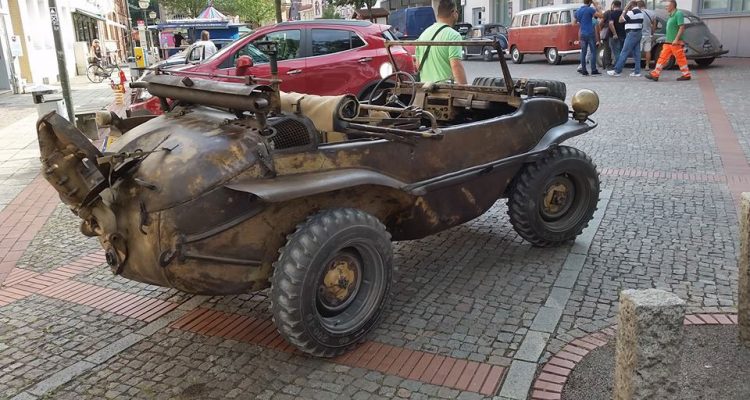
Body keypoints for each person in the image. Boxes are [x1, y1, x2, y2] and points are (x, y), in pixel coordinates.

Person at [415, 0, 467, 84]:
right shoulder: (454, 36)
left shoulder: (423, 35)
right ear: (453, 12)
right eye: (457, 11)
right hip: (445, 89)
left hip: (425, 88)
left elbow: (418, 65)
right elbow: (456, 66)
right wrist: (465, 88)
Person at [646, 0, 690, 81]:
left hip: (675, 42)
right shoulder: (671, 15)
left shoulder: (678, 14)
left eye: (667, 6)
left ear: (672, 6)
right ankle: (655, 74)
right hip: (668, 42)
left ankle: (686, 75)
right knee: (662, 57)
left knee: (680, 58)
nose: (665, 8)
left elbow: (681, 28)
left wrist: (676, 39)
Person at [608, 0, 643, 77]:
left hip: (631, 33)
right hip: (638, 33)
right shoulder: (640, 12)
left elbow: (620, 20)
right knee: (637, 53)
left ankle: (617, 71)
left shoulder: (631, 13)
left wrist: (625, 9)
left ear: (631, 5)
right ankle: (637, 71)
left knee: (624, 52)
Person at [575, 0, 602, 76]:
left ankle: (584, 70)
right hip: (590, 33)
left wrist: (582, 22)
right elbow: (601, 15)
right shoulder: (590, 9)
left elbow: (573, 23)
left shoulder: (578, 11)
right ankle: (593, 70)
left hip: (582, 34)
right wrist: (595, 5)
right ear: (590, 2)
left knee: (583, 53)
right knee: (593, 52)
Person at [638, 0, 656, 71]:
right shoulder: (652, 13)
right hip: (648, 35)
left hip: (639, 34)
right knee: (648, 51)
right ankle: (647, 66)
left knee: (638, 51)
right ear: (645, 5)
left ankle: (637, 66)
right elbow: (654, 25)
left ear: (638, 6)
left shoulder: (638, 12)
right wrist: (652, 33)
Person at [607, 1, 626, 65]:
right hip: (623, 34)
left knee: (616, 52)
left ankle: (618, 66)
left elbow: (611, 23)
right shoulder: (624, 14)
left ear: (614, 5)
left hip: (614, 36)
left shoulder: (612, 13)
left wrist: (614, 34)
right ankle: (620, 65)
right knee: (621, 51)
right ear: (620, 5)